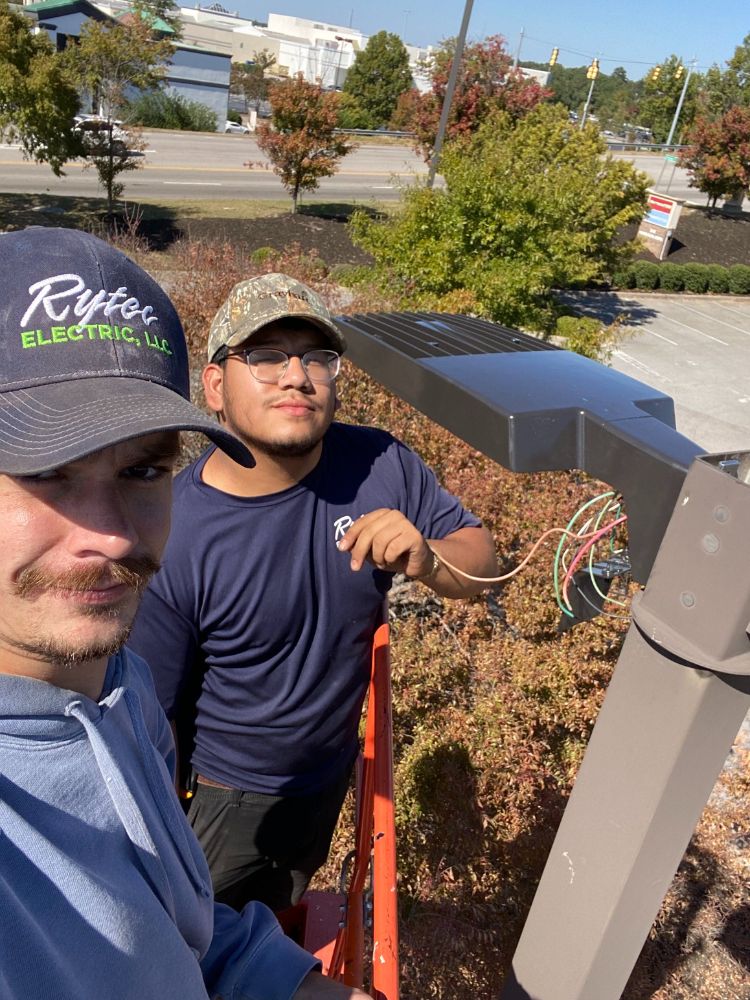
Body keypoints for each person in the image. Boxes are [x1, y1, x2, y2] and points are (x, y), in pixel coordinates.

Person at [0, 229, 368, 1000]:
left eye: (142, 468)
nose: (110, 534)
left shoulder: (120, 687)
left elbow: (181, 930)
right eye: (44, 472)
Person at [129, 272, 498, 914]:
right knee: (202, 955)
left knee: (280, 918)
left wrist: (428, 559)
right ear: (215, 386)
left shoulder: (380, 463)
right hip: (223, 800)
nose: (296, 376)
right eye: (266, 356)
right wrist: (160, 853)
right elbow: (152, 719)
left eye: (316, 358)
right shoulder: (176, 532)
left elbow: (482, 561)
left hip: (326, 780)